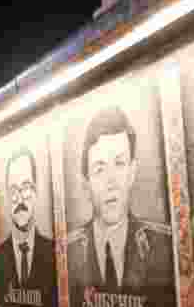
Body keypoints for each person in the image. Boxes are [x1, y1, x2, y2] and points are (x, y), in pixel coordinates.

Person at [67, 106, 172, 292]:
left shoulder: (164, 247)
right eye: (99, 169)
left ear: (132, 172)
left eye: (119, 163)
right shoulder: (67, 252)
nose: (111, 182)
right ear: (86, 183)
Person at [0, 147, 56, 307]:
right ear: (7, 197)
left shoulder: (55, 253)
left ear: (36, 192)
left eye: (26, 187)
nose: (20, 198)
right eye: (13, 190)